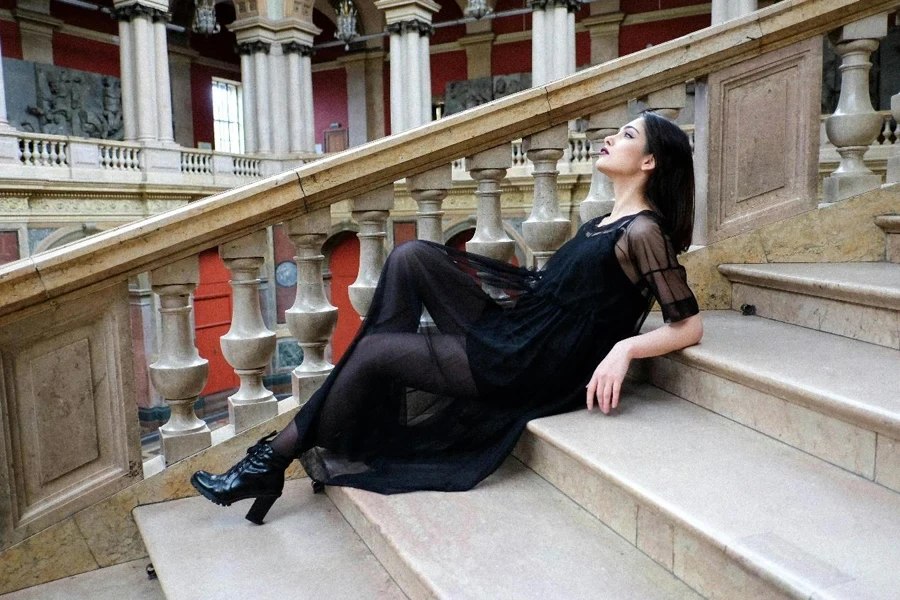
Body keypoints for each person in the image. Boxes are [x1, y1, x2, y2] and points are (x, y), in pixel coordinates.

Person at [190, 111, 704, 525]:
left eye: (627, 135)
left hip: (532, 363)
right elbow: (553, 291)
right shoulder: (600, 222)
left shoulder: (643, 232)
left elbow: (688, 324)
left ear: (651, 162)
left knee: (374, 351)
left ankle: (269, 463)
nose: (610, 138)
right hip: (522, 326)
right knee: (411, 256)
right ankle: (328, 437)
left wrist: (623, 349)